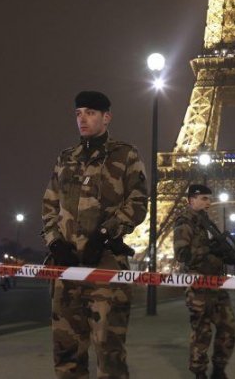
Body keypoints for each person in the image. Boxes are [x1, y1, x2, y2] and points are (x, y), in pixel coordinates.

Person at [41, 90, 148, 379]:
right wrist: (55, 242)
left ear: (106, 117)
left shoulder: (126, 155)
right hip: (66, 270)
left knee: (109, 354)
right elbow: (49, 205)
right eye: (78, 113)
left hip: (105, 269)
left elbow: (138, 203)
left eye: (89, 112)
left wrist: (104, 235)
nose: (82, 119)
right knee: (66, 355)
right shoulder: (65, 158)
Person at [173, 184, 235, 379]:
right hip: (198, 285)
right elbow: (182, 255)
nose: (209, 203)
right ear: (192, 200)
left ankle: (219, 368)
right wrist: (210, 250)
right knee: (202, 331)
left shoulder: (208, 223)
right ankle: (199, 372)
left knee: (228, 327)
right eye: (204, 199)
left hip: (216, 284)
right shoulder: (185, 222)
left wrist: (225, 255)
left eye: (210, 199)